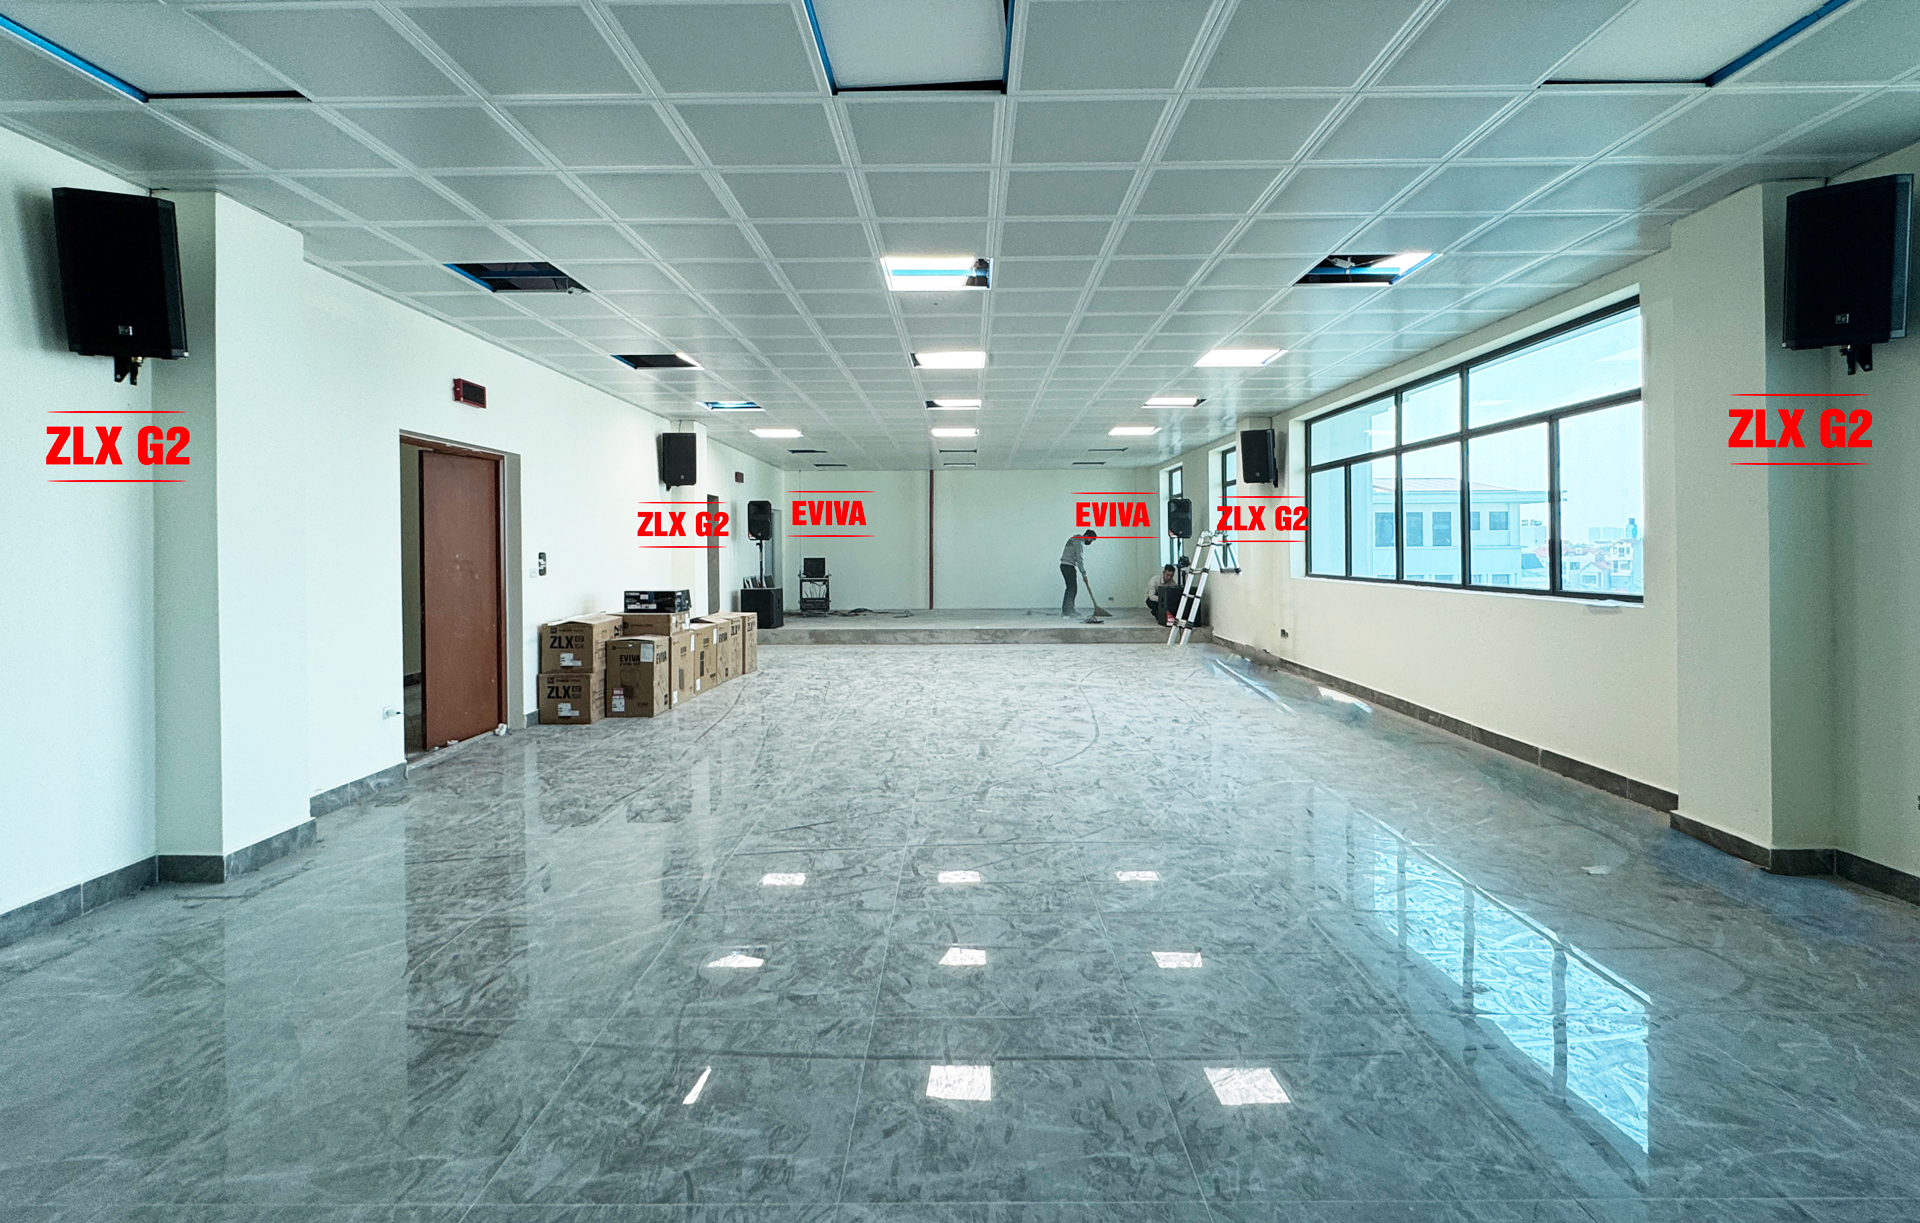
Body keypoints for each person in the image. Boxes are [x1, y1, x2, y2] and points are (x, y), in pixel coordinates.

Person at [1059, 530, 1096, 617]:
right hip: (1069, 566)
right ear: (1087, 536)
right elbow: (1080, 558)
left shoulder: (1073, 538)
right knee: (1072, 589)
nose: (1090, 542)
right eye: (1091, 540)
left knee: (1070, 588)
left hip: (1064, 565)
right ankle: (1068, 611)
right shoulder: (1080, 543)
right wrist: (1083, 573)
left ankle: (1068, 609)